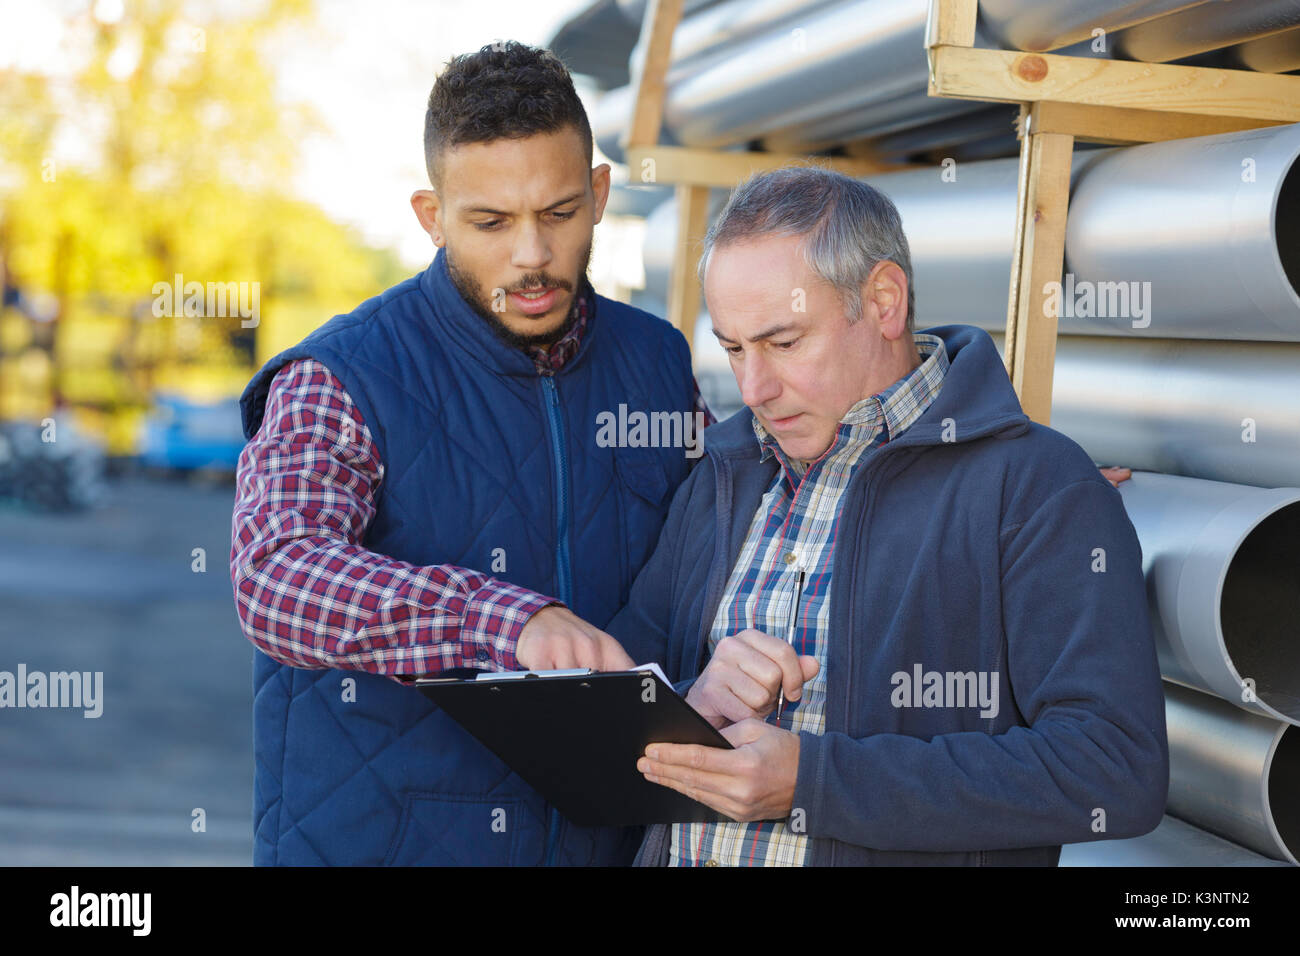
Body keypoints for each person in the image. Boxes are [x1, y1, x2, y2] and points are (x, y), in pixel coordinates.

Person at [229, 42, 710, 866]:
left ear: (598, 195)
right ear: (431, 216)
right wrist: (504, 619)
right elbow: (275, 574)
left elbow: (708, 564)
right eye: (490, 223)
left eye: (559, 213)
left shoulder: (659, 365)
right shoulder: (343, 374)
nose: (531, 256)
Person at [608, 166, 1169, 866]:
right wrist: (693, 704)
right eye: (732, 348)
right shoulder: (722, 474)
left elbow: (1113, 768)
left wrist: (813, 784)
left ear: (883, 301)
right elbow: (612, 717)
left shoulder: (1035, 487)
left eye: (784, 343)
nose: (754, 387)